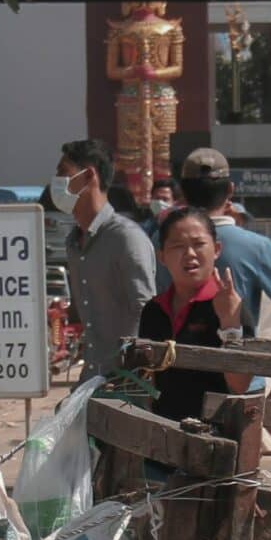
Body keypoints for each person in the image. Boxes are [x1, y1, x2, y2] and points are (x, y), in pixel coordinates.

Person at [176, 147, 271, 340]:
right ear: (230, 189)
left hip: (172, 362)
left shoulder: (160, 241)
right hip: (235, 363)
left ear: (182, 192)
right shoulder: (256, 246)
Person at [52, 139, 158, 381]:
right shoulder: (74, 244)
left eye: (63, 172)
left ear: (89, 175)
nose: (56, 181)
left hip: (126, 384)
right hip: (92, 376)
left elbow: (147, 314)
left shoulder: (126, 238)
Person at [139, 206, 250, 424]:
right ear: (162, 256)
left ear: (217, 249)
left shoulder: (232, 307)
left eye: (199, 244)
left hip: (215, 439)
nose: (190, 254)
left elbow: (240, 385)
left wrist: (230, 325)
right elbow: (148, 380)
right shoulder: (153, 310)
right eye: (178, 246)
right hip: (162, 435)